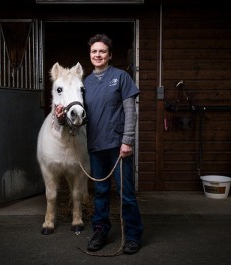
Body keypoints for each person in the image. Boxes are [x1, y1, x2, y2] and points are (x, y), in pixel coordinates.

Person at [82, 33, 143, 255]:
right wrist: (61, 117)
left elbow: (130, 111)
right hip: (96, 146)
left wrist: (127, 141)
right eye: (94, 51)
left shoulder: (121, 77)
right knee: (100, 191)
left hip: (118, 146)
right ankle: (100, 231)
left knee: (125, 193)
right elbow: (80, 116)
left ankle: (132, 236)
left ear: (109, 55)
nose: (98, 54)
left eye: (102, 51)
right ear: (90, 55)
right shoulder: (85, 82)